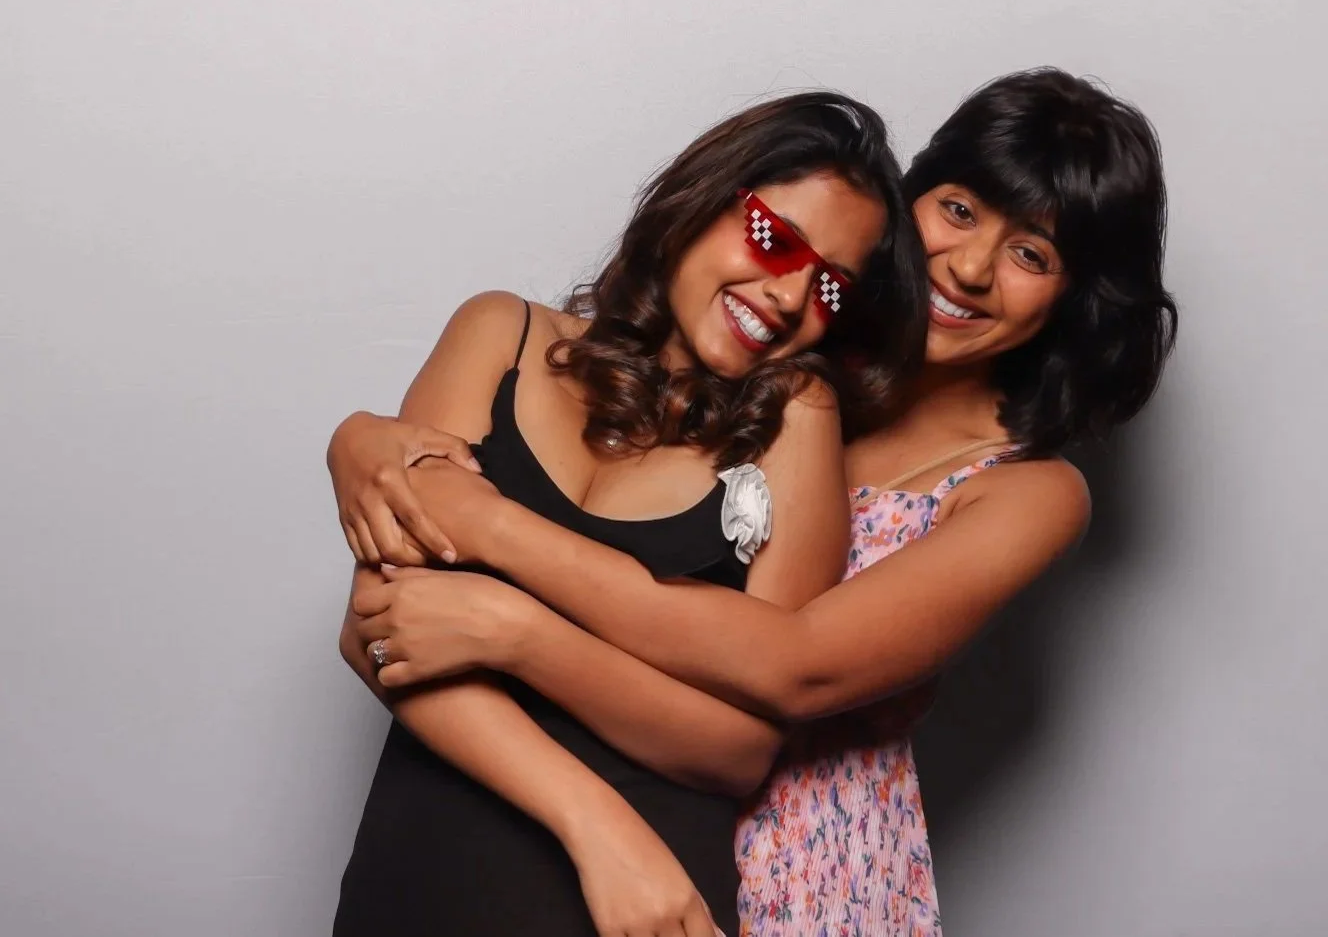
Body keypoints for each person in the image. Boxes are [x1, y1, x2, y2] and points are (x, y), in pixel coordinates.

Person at [332, 68, 1176, 935]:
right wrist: (358, 439)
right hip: (537, 813)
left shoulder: (1010, 486)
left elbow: (794, 666)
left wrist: (491, 543)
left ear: (1077, 300)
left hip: (806, 857)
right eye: (957, 210)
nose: (968, 267)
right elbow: (387, 621)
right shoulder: (766, 368)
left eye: (1031, 255)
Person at [328, 90, 930, 937]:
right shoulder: (500, 335)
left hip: (642, 910)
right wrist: (595, 825)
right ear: (704, 198)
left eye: (829, 284)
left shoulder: (796, 418)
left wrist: (517, 633)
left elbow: (737, 750)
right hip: (426, 876)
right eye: (774, 238)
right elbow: (381, 630)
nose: (792, 294)